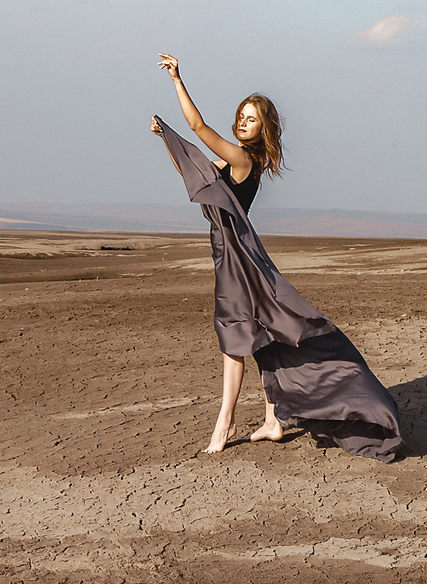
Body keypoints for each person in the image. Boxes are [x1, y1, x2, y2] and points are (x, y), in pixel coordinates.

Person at [151, 54, 402, 460]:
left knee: (233, 338)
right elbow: (191, 171)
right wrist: (165, 138)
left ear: (263, 128)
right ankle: (273, 420)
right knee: (261, 335)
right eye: (241, 116)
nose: (243, 122)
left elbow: (197, 128)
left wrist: (177, 81)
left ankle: (226, 421)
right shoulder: (234, 160)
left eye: (251, 119)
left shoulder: (244, 159)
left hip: (238, 258)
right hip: (233, 253)